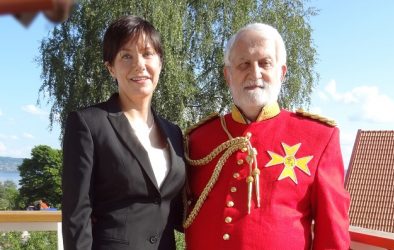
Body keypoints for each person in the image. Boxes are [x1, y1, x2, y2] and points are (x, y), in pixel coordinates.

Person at [184, 23, 350, 249]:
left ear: (281, 72)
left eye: (265, 63)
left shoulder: (319, 137)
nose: (255, 73)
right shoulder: (198, 140)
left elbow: (332, 234)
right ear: (228, 75)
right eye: (243, 64)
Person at [62, 15, 186, 250]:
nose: (139, 64)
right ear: (111, 68)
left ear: (160, 62)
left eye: (148, 53)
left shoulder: (174, 133)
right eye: (126, 56)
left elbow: (179, 211)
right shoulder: (88, 124)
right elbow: (76, 216)